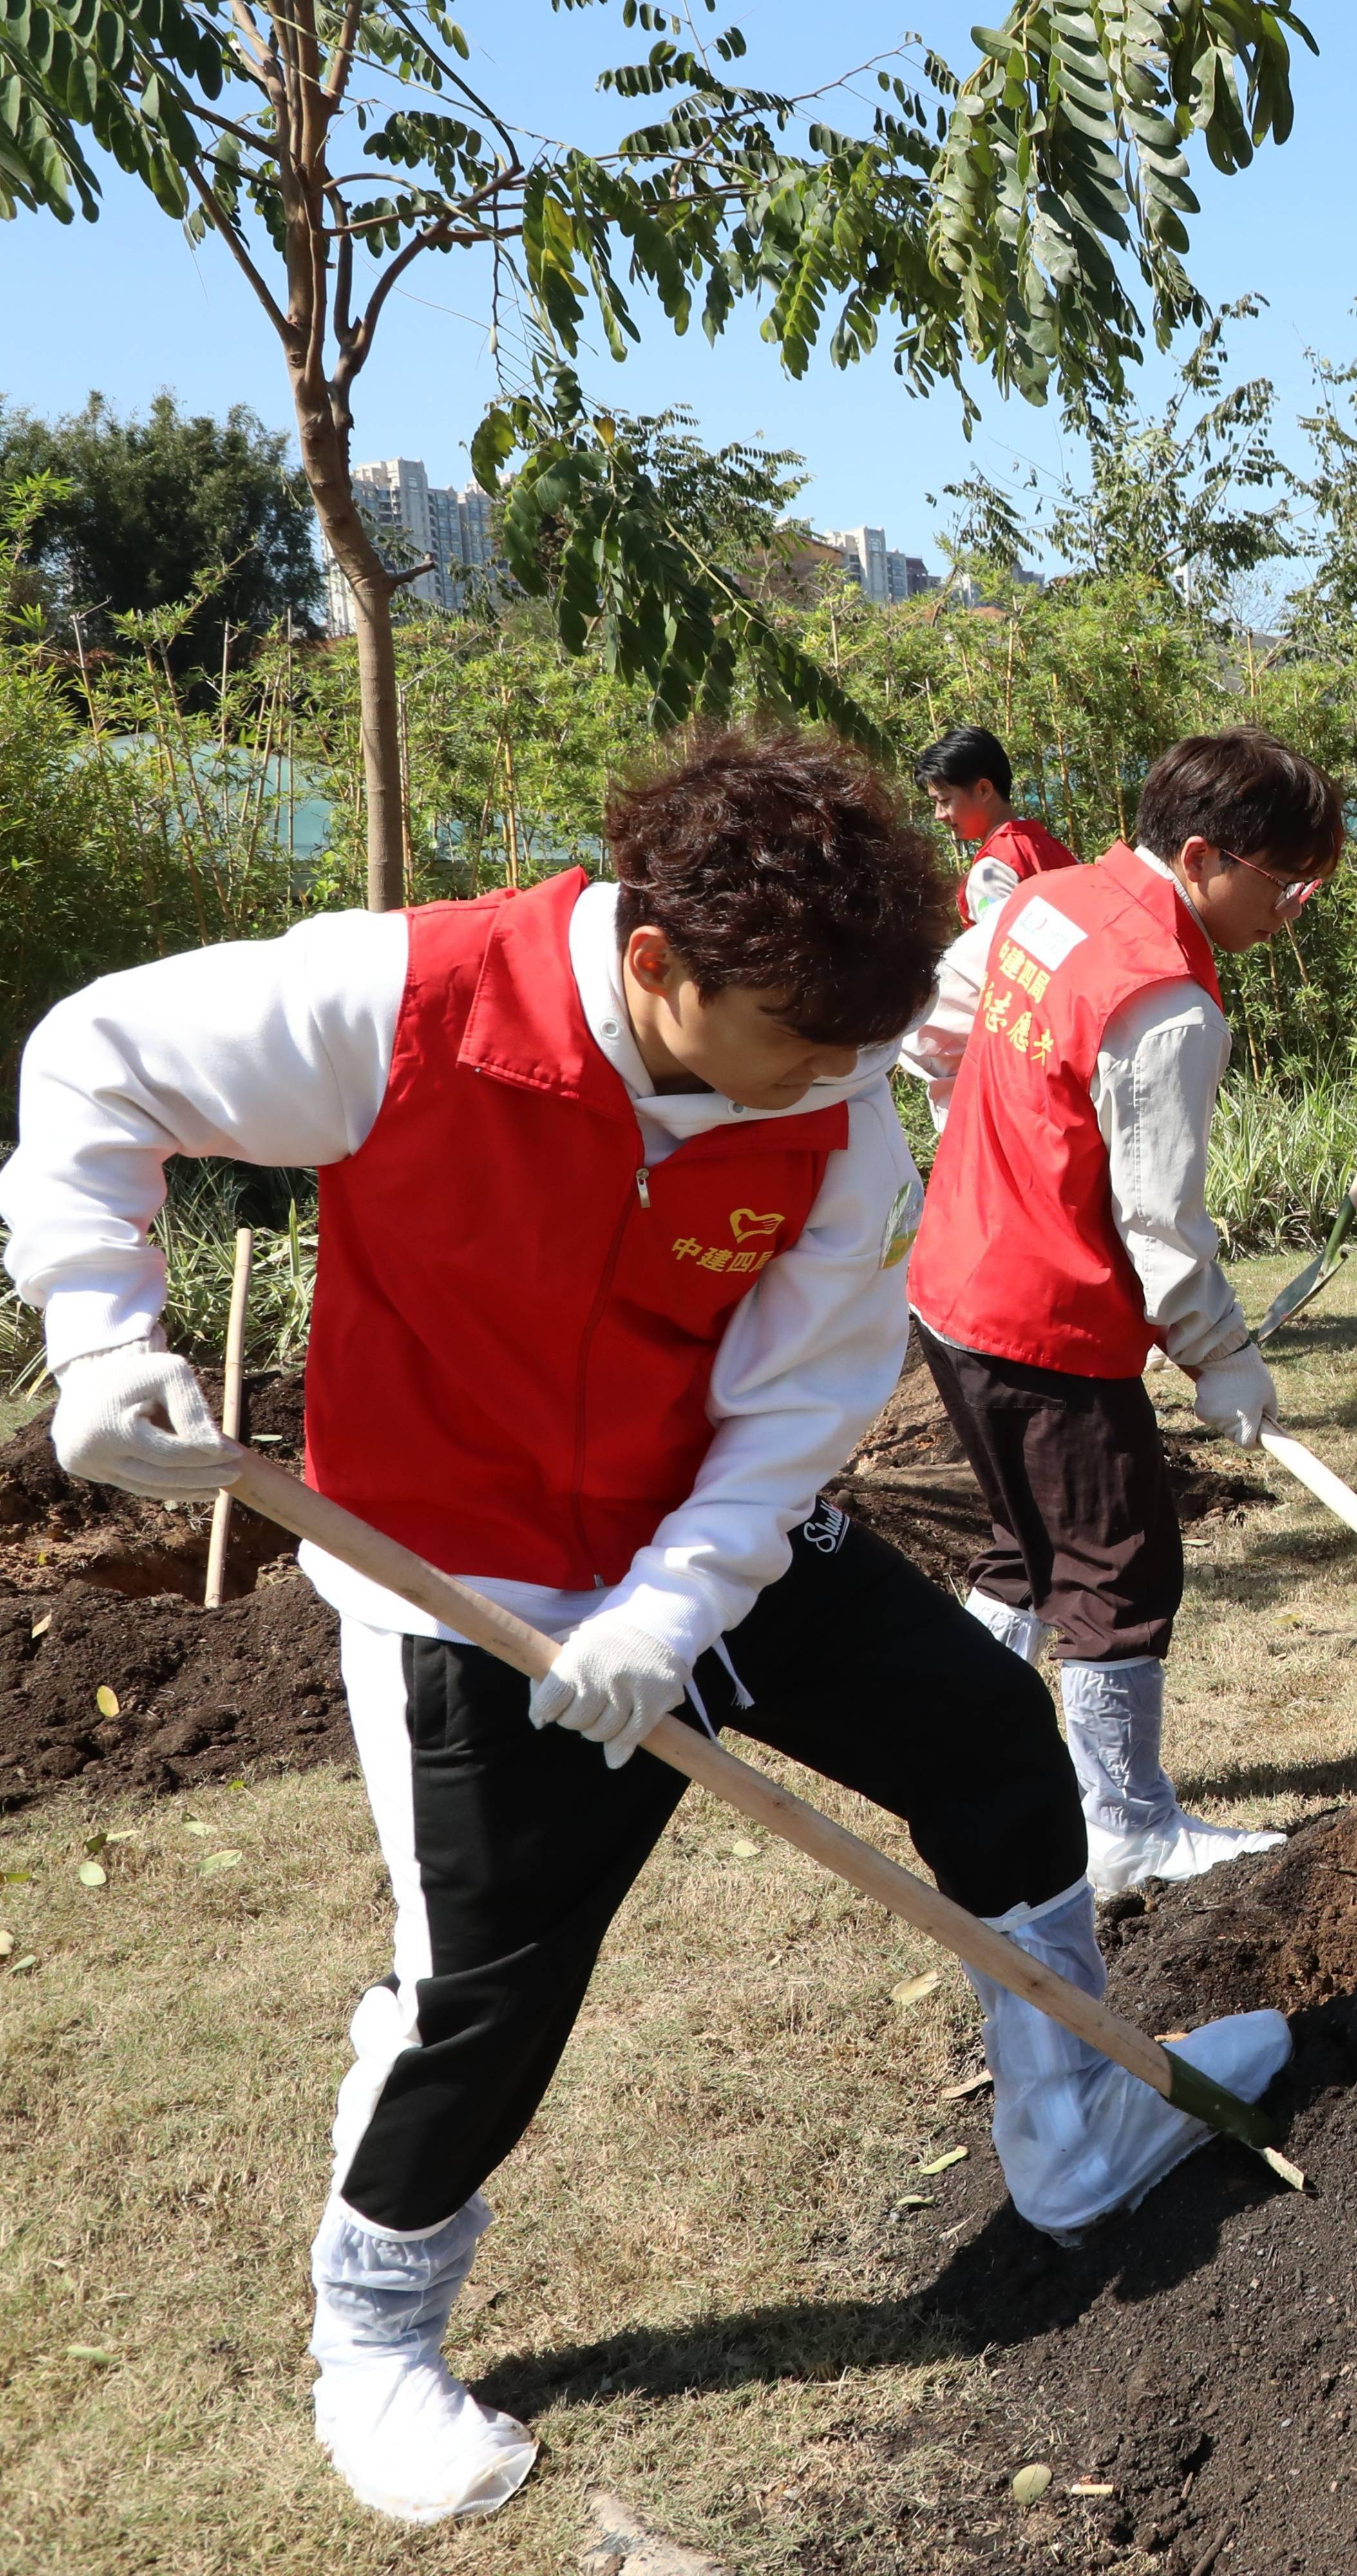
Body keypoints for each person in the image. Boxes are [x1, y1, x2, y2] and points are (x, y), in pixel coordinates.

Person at [0, 730, 1287, 2530]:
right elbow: (95, 1060)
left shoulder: (828, 1091)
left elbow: (805, 1390)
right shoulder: (407, 1003)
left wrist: (679, 1605)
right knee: (494, 1985)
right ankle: (373, 2337)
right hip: (469, 1580)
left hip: (724, 1535)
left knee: (994, 1748)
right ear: (660, 967)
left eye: (858, 1051)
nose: (838, 1089)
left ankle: (1073, 2132)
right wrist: (98, 1324)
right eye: (802, 1050)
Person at [903, 729, 1341, 1900]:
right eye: (1285, 883)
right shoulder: (1170, 1004)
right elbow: (1161, 1223)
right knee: (1115, 1570)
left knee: (1022, 1548)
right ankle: (1127, 1828)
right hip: (1048, 1319)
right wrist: (1223, 1354)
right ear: (1202, 857)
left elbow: (934, 1024)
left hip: (953, 1288)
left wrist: (993, 1134)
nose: (1295, 910)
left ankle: (959, 1747)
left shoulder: (1048, 899)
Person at [913, 723, 1080, 925]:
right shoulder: (1055, 848)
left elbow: (1001, 950)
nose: (939, 815)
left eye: (945, 801)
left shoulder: (991, 872)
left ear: (983, 790)